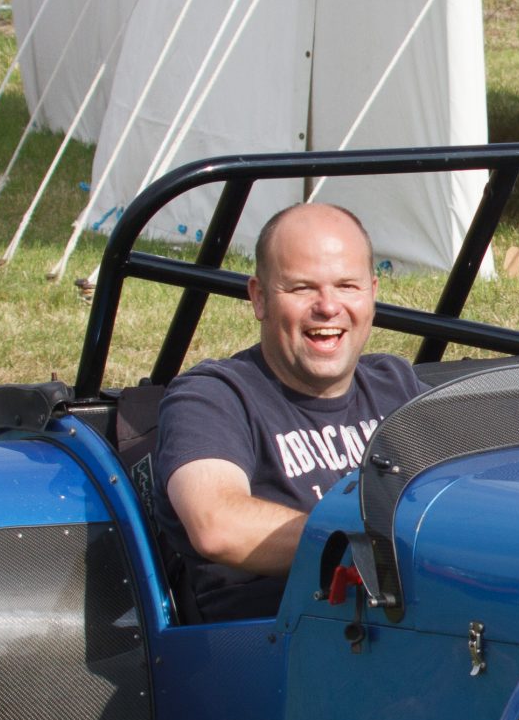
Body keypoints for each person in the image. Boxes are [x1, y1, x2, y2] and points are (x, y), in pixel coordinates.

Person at [151, 203, 425, 621]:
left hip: (414, 624)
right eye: (301, 288)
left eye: (347, 286)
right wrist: (377, 549)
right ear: (258, 298)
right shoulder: (214, 396)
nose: (328, 306)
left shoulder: (396, 385)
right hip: (277, 646)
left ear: (372, 292)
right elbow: (216, 525)